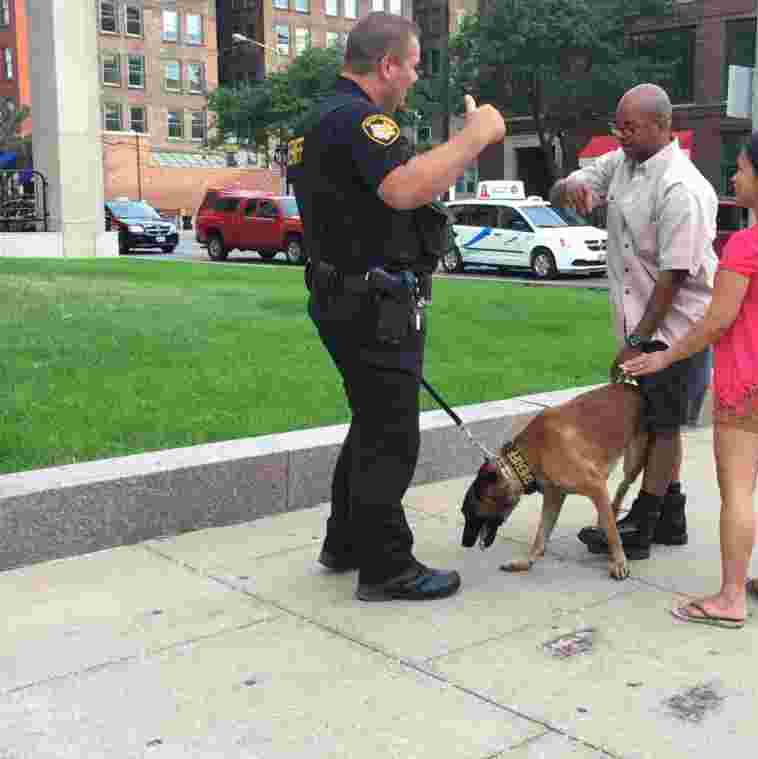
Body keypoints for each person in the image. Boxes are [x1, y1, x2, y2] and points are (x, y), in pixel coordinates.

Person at [287, 12, 505, 601]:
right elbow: (404, 188)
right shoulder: (361, 122)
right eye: (409, 66)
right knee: (391, 436)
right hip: (372, 301)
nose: (412, 78)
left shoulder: (315, 120)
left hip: (337, 292)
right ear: (385, 64)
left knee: (370, 423)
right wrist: (475, 136)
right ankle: (387, 567)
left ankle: (346, 541)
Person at [621, 130, 758, 628]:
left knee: (737, 492)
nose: (734, 176)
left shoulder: (747, 245)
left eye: (740, 168)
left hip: (748, 385)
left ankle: (730, 598)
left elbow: (716, 321)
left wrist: (664, 357)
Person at [550, 83, 718, 560]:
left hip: (675, 330)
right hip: (643, 323)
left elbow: (674, 276)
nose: (620, 135)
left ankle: (642, 525)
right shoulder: (622, 165)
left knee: (661, 427)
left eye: (631, 126)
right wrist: (571, 189)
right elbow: (567, 187)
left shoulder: (681, 188)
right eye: (617, 126)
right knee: (652, 421)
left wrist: (638, 343)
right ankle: (670, 514)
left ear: (663, 126)